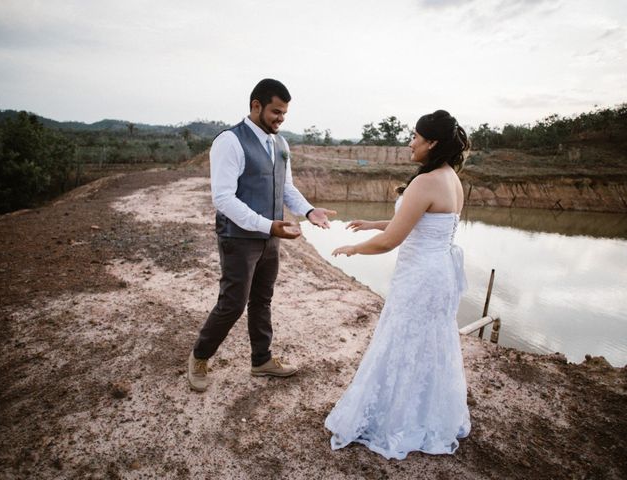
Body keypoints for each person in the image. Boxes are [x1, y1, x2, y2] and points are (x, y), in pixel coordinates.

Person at [325, 110, 471, 459]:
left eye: (415, 137)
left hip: (420, 277)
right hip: (438, 275)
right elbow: (421, 223)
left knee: (402, 340)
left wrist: (355, 248)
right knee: (429, 344)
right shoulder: (451, 178)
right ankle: (427, 415)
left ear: (432, 142)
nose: (410, 143)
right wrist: (374, 223)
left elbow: (393, 241)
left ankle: (394, 421)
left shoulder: (425, 181)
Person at [188, 79, 336, 392]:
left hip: (271, 237)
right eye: (275, 112)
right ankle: (199, 357)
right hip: (238, 238)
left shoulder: (280, 144)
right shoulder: (230, 141)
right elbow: (224, 199)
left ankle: (261, 360)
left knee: (262, 300)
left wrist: (309, 212)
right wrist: (268, 225)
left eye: (284, 114)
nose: (280, 119)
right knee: (233, 303)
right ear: (256, 105)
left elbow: (285, 187)